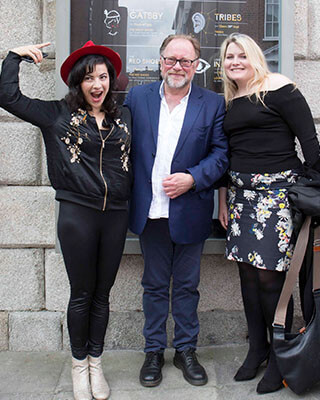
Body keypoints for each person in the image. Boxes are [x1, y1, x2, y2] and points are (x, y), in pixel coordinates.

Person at [0, 40, 132, 400]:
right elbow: (8, 98)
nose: (97, 85)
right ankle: (78, 365)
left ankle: (96, 363)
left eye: (103, 76)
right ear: (77, 82)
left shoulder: (124, 116)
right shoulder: (56, 114)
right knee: (82, 294)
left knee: (103, 295)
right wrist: (14, 58)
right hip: (77, 215)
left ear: (111, 80)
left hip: (117, 215)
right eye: (89, 78)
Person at [218, 33, 320, 394]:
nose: (235, 61)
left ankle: (280, 355)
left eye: (241, 54)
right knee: (247, 275)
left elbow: (311, 145)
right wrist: (222, 198)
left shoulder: (279, 87)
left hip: (276, 197)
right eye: (229, 56)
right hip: (241, 197)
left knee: (271, 277)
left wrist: (311, 195)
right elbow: (228, 154)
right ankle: (257, 349)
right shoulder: (231, 100)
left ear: (255, 56)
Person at [125, 34, 228, 388]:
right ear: (160, 61)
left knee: (186, 286)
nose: (177, 67)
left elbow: (221, 154)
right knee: (154, 285)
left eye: (186, 61)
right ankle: (153, 350)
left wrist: (192, 178)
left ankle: (186, 349)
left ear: (197, 65)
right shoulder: (138, 98)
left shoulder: (212, 103)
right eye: (171, 59)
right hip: (149, 210)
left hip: (190, 209)